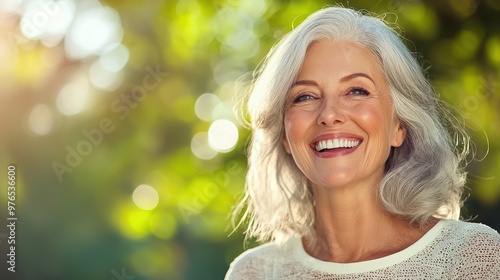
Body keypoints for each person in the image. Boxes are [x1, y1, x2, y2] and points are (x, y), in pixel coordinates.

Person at [224, 6, 500, 280]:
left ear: (399, 125)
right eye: (304, 96)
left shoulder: (472, 258)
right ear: (284, 134)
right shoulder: (253, 273)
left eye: (357, 91)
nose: (329, 115)